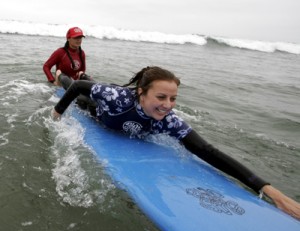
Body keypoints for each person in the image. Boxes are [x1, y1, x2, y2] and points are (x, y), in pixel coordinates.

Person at [52, 66, 300, 219]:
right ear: (142, 92)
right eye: (161, 97)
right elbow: (80, 88)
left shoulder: (167, 120)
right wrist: (58, 112)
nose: (168, 105)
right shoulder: (115, 97)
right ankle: (60, 75)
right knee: (76, 87)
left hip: (122, 104)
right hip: (97, 111)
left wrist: (271, 191)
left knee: (91, 83)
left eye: (173, 98)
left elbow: (207, 150)